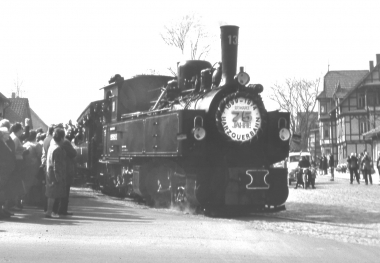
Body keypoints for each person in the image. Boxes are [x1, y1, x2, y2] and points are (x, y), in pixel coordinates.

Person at [52, 133, 77, 216]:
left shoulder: (53, 142)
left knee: (61, 189)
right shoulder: (65, 142)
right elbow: (73, 153)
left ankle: (59, 209)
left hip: (61, 169)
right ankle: (62, 209)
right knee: (65, 189)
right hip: (66, 168)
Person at [45, 128, 67, 218]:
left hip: (49, 172)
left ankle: (49, 211)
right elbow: (56, 165)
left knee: (51, 193)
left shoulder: (51, 147)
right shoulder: (57, 149)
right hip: (55, 174)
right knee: (53, 194)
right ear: (61, 138)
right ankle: (50, 212)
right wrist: (59, 178)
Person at [23, 130, 43, 205]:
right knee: (35, 184)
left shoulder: (25, 144)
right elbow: (40, 156)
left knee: (27, 183)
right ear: (35, 136)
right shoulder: (37, 145)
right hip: (35, 166)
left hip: (26, 166)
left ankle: (26, 200)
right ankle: (35, 200)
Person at [0, 127, 16, 219]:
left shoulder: (5, 143)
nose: (9, 136)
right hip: (2, 171)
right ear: (2, 135)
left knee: (3, 191)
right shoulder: (1, 144)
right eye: (7, 134)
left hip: (6, 171)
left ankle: (2, 210)